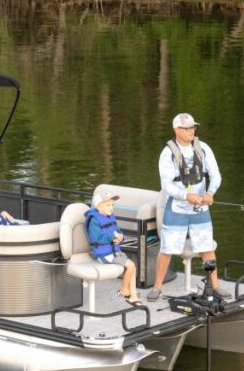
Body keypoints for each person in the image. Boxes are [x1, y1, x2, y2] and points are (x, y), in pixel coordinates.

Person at [147, 112, 221, 300]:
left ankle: (216, 285)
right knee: (167, 248)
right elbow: (167, 186)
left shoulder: (203, 148)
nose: (191, 131)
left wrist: (210, 193)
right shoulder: (167, 153)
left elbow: (216, 175)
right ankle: (157, 287)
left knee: (207, 246)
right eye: (186, 128)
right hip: (178, 208)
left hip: (200, 208)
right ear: (176, 130)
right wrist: (186, 196)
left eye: (193, 127)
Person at [85, 194, 145, 308]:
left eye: (112, 205)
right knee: (131, 266)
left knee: (133, 268)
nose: (111, 208)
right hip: (104, 255)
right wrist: (113, 236)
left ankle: (133, 296)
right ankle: (123, 289)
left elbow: (117, 230)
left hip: (113, 252)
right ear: (98, 206)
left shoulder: (110, 216)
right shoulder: (94, 221)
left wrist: (120, 237)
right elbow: (98, 239)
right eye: (107, 205)